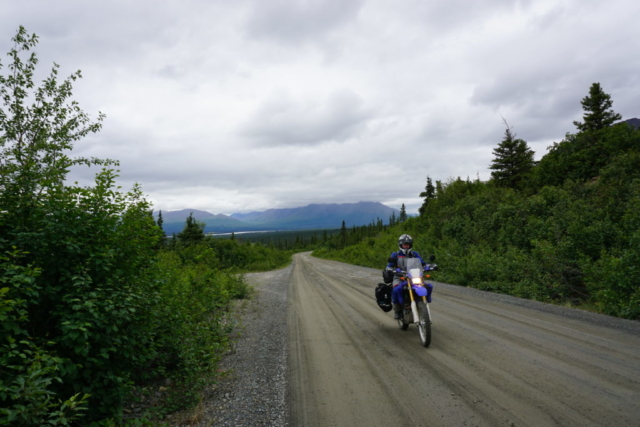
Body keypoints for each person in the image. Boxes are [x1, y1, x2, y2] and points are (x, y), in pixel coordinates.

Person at [385, 234, 427, 319]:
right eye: (404, 244)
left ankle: (421, 305)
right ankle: (397, 310)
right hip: (399, 277)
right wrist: (390, 268)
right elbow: (389, 265)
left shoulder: (415, 254)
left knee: (426, 287)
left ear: (410, 245)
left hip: (413, 277)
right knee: (396, 290)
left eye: (408, 244)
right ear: (401, 245)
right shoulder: (395, 254)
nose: (406, 246)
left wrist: (428, 266)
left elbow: (422, 263)